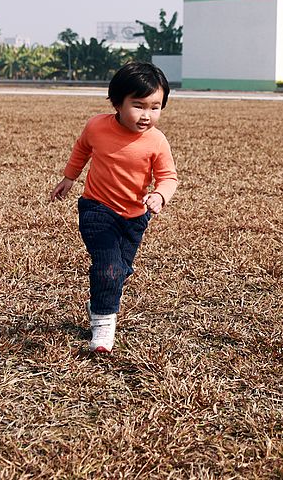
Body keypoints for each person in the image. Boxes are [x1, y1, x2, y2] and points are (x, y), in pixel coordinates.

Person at [50, 61, 178, 353]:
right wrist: (70, 178)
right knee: (108, 269)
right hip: (97, 208)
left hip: (135, 216)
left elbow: (169, 177)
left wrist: (159, 195)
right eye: (139, 105)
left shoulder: (157, 141)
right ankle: (104, 328)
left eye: (155, 107)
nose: (147, 115)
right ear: (117, 102)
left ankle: (100, 296)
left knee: (119, 271)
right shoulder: (97, 126)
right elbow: (83, 147)